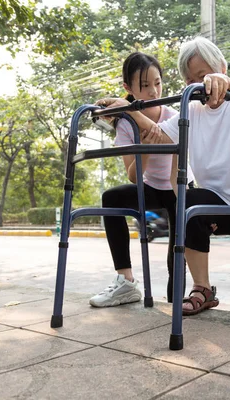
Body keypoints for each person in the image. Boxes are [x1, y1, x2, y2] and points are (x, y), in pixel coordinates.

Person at [96, 37, 230, 316]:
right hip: (222, 201)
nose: (199, 84)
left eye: (204, 75)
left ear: (222, 69)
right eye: (191, 80)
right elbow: (160, 136)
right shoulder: (191, 107)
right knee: (189, 203)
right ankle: (203, 289)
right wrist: (127, 110)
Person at [89, 52, 194, 307]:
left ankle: (176, 297)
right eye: (145, 86)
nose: (154, 91)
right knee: (110, 198)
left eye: (157, 83)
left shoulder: (173, 114)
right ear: (129, 88)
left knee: (176, 259)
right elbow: (134, 177)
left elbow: (179, 158)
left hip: (179, 187)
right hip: (151, 187)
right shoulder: (125, 125)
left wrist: (130, 113)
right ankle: (125, 282)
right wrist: (144, 149)